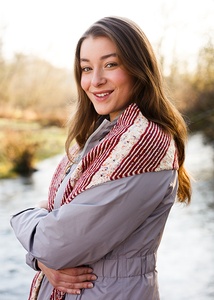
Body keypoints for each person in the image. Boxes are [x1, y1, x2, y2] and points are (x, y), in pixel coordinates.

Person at [10, 16, 192, 300]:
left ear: (138, 68)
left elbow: (54, 245)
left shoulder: (142, 144)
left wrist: (25, 218)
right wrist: (42, 261)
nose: (95, 80)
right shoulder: (101, 137)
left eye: (110, 64)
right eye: (86, 68)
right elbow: (53, 243)